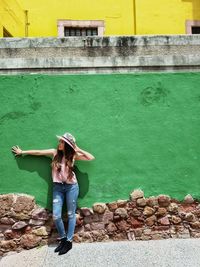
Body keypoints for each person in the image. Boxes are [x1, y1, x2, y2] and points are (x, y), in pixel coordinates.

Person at [12, 132, 95, 255]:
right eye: (60, 141)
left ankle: (69, 241)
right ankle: (62, 239)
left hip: (72, 187)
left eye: (62, 142)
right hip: (58, 187)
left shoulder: (73, 155)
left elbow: (90, 157)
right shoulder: (54, 152)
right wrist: (22, 152)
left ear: (67, 144)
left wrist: (77, 148)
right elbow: (39, 152)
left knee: (71, 214)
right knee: (56, 215)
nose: (59, 143)